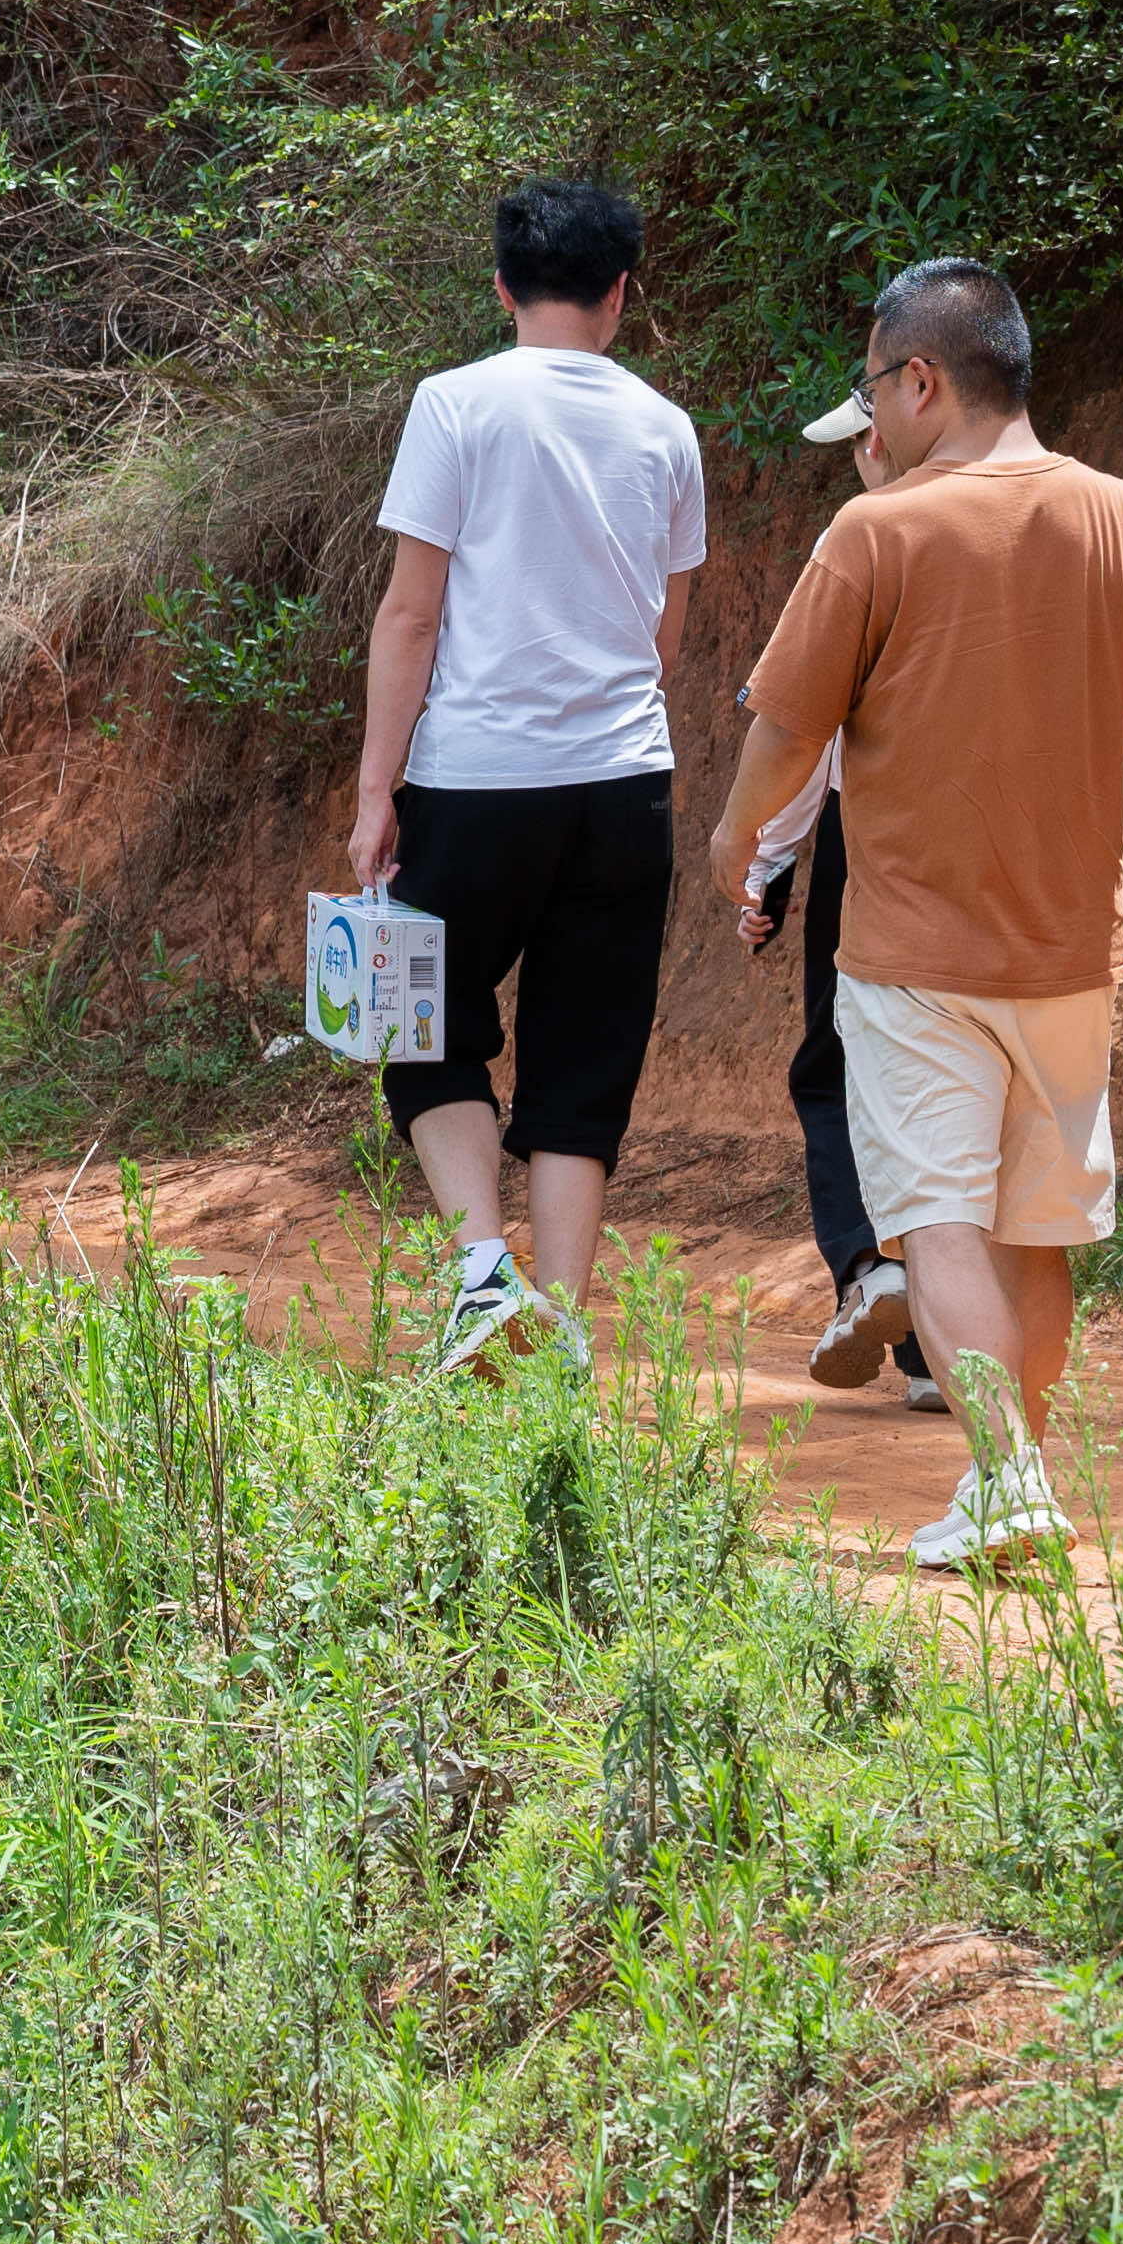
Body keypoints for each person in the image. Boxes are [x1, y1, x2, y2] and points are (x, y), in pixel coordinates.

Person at [706, 260, 1123, 1573]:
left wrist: (736, 840)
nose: (874, 415)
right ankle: (1011, 1475)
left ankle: (1013, 1476)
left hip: (915, 955)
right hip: (1072, 956)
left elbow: (785, 726)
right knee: (1038, 1232)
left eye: (875, 387)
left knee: (937, 1222)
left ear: (922, 380)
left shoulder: (876, 535)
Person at [340, 177, 711, 1370]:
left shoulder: (454, 405)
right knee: (584, 1047)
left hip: (478, 780)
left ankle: (480, 1276)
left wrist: (374, 790)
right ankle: (557, 1319)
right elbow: (666, 638)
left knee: (417, 1015)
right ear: (619, 292)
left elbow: (411, 615)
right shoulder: (666, 427)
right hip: (623, 790)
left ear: (502, 286)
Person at [742, 388, 935, 1410]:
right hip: (1000, 850)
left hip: (873, 848)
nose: (859, 454)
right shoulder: (1023, 516)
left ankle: (871, 1270)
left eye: (862, 436)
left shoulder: (858, 540)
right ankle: (952, 1350)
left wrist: (767, 864)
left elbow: (803, 727)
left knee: (838, 1070)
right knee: (956, 1077)